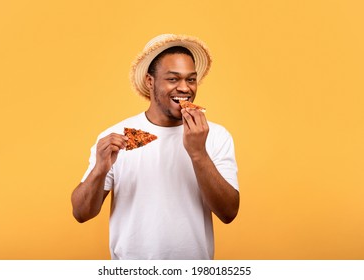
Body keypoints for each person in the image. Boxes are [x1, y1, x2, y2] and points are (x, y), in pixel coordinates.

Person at [71, 34, 240, 260]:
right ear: (150, 81)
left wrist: (198, 153)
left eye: (191, 79)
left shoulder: (215, 135)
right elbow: (82, 213)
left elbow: (229, 212)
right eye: (173, 79)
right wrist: (100, 169)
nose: (184, 88)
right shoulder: (117, 137)